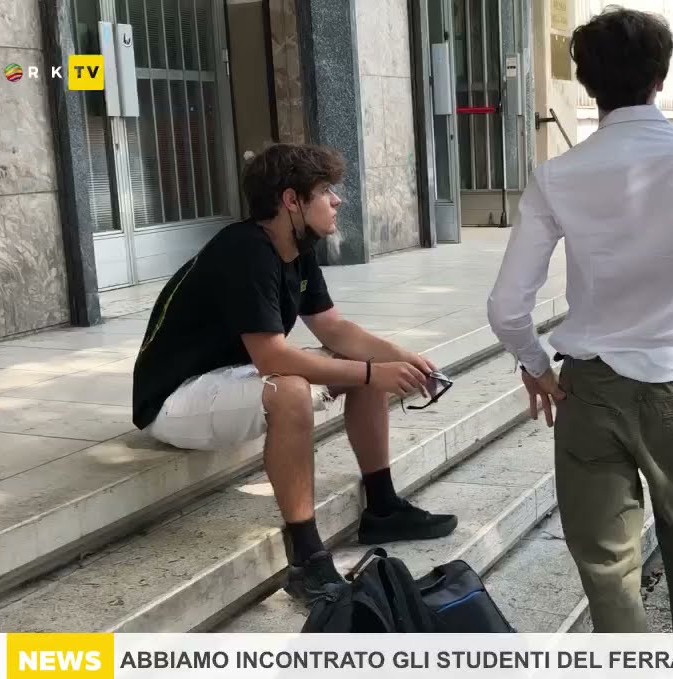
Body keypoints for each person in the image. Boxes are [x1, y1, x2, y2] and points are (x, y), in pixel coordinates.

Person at [487, 9, 673, 679]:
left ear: (586, 82)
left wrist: (535, 364)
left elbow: (507, 306)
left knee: (608, 567)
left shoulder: (558, 174)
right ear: (660, 76)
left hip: (590, 385)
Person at [131, 143, 458, 603]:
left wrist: (403, 358)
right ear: (291, 200)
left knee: (359, 366)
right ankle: (307, 559)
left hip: (231, 380)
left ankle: (383, 508)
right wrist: (371, 373)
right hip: (173, 399)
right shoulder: (244, 250)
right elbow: (272, 358)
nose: (337, 200)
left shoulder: (296, 248)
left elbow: (334, 329)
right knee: (292, 389)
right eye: (325, 191)